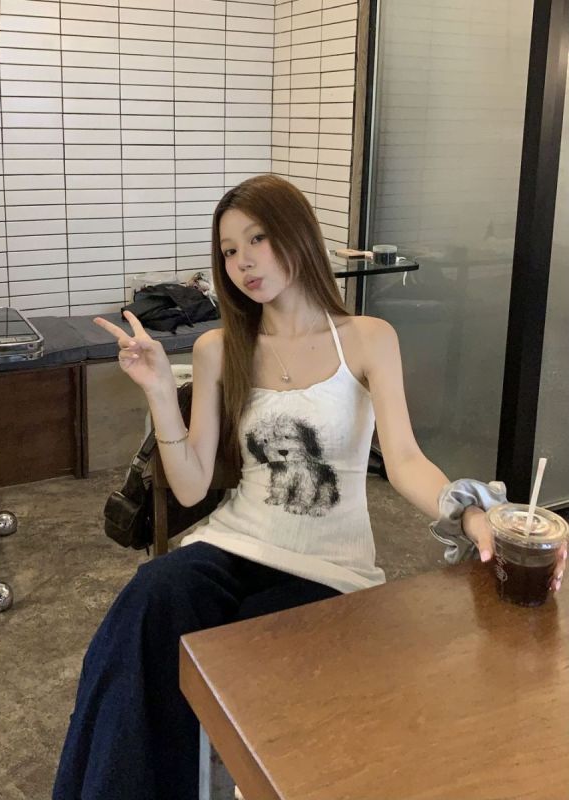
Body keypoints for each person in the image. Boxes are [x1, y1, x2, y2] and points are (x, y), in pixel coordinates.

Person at [53, 174, 566, 800]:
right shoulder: (219, 347)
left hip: (328, 567)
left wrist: (469, 513)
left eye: (257, 239)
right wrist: (161, 391)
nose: (243, 262)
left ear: (296, 235)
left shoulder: (368, 338)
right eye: (229, 250)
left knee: (257, 659)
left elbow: (404, 460)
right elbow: (189, 488)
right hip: (233, 546)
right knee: (145, 608)